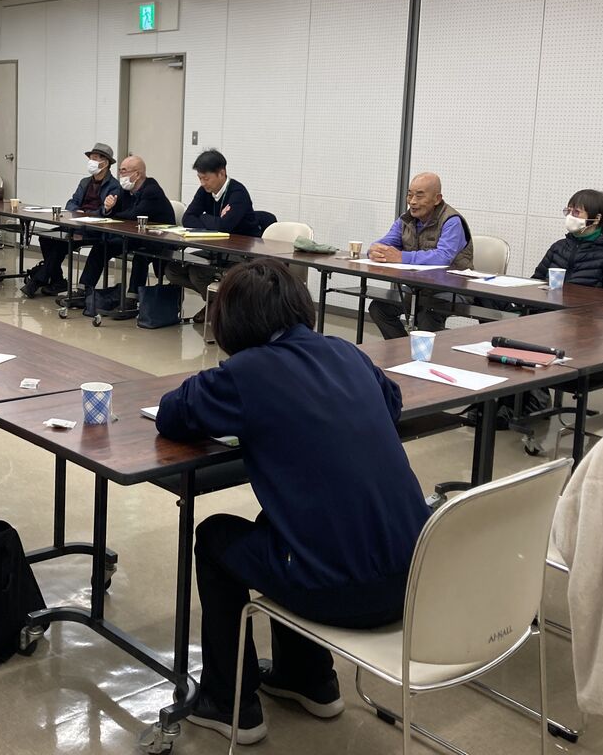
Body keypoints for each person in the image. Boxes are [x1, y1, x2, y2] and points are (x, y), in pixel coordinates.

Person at [155, 259, 429, 744]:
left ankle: (230, 702)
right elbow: (391, 404)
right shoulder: (345, 352)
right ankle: (311, 679)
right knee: (279, 520)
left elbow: (173, 415)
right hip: (415, 577)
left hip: (345, 593)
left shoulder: (247, 373)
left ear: (231, 320)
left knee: (215, 537)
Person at [367, 172, 474, 339]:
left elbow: (443, 257)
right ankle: (404, 349)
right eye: (410, 195)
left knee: (427, 313)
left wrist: (402, 257)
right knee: (379, 308)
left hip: (452, 289)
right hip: (418, 288)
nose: (412, 201)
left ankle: (423, 353)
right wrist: (374, 250)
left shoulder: (452, 221)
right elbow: (386, 243)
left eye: (419, 195)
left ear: (437, 199)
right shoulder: (406, 220)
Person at [167, 149, 261, 318]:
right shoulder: (204, 191)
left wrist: (203, 217)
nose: (203, 183)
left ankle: (218, 308)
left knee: (198, 272)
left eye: (206, 178)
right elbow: (188, 218)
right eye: (200, 178)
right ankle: (216, 303)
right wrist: (214, 220)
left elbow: (225, 226)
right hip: (215, 249)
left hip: (241, 252)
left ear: (221, 173)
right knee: (173, 269)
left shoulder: (238, 193)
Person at [20, 143, 121, 298]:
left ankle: (38, 280)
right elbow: (71, 203)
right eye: (91, 158)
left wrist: (86, 215)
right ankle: (57, 280)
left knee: (61, 243)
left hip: (94, 230)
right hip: (75, 226)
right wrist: (77, 212)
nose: (91, 162)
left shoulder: (114, 186)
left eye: (95, 158)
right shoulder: (85, 182)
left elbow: (106, 212)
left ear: (105, 163)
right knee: (46, 238)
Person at [76, 155, 175, 305]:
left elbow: (133, 215)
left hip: (158, 239)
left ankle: (132, 298)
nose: (120, 175)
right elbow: (117, 211)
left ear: (137, 174)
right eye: (120, 171)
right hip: (134, 236)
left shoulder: (152, 190)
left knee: (141, 255)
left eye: (124, 171)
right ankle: (84, 289)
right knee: (102, 246)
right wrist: (108, 208)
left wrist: (114, 214)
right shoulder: (125, 190)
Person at [531, 189, 603, 290]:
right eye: (568, 211)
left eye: (576, 212)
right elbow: (536, 281)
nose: (570, 216)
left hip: (587, 300)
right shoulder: (558, 247)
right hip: (552, 299)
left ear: (597, 218)